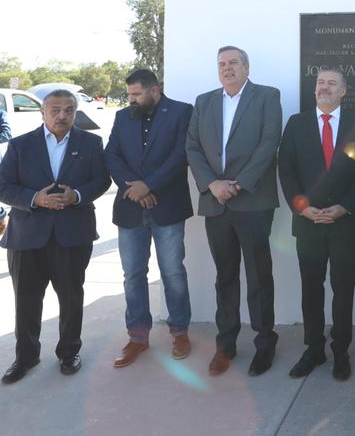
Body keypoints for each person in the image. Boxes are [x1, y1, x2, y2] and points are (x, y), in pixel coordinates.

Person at [0, 90, 110, 384]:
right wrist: (35, 198)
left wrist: (78, 195)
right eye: (55, 110)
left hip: (72, 234)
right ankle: (26, 357)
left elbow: (102, 180)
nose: (62, 115)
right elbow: (3, 185)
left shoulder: (91, 143)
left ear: (75, 112)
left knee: (71, 297)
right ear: (43, 113)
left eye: (69, 110)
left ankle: (69, 352)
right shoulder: (21, 145)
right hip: (27, 237)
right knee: (26, 300)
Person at [186, 47, 282, 378]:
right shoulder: (204, 102)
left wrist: (239, 184)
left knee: (258, 275)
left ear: (246, 67)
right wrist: (212, 184)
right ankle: (225, 344)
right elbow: (192, 147)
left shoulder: (267, 96)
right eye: (222, 64)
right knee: (224, 276)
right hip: (216, 201)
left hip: (252, 200)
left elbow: (269, 142)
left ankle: (265, 343)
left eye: (233, 63)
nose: (227, 69)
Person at [278, 66, 355, 381]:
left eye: (331, 83)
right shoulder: (297, 123)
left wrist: (345, 206)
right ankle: (314, 349)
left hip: (346, 222)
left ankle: (341, 350)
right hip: (309, 223)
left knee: (343, 289)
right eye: (320, 82)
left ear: (343, 91)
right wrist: (302, 208)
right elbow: (286, 171)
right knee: (311, 289)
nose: (324, 87)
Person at [105, 68, 194, 367]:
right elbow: (112, 156)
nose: (131, 99)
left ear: (154, 91)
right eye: (129, 94)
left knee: (173, 273)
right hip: (130, 208)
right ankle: (138, 337)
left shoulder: (181, 112)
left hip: (168, 206)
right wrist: (136, 190)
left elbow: (181, 155)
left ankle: (179, 331)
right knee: (132, 275)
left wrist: (150, 185)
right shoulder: (122, 117)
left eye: (136, 94)